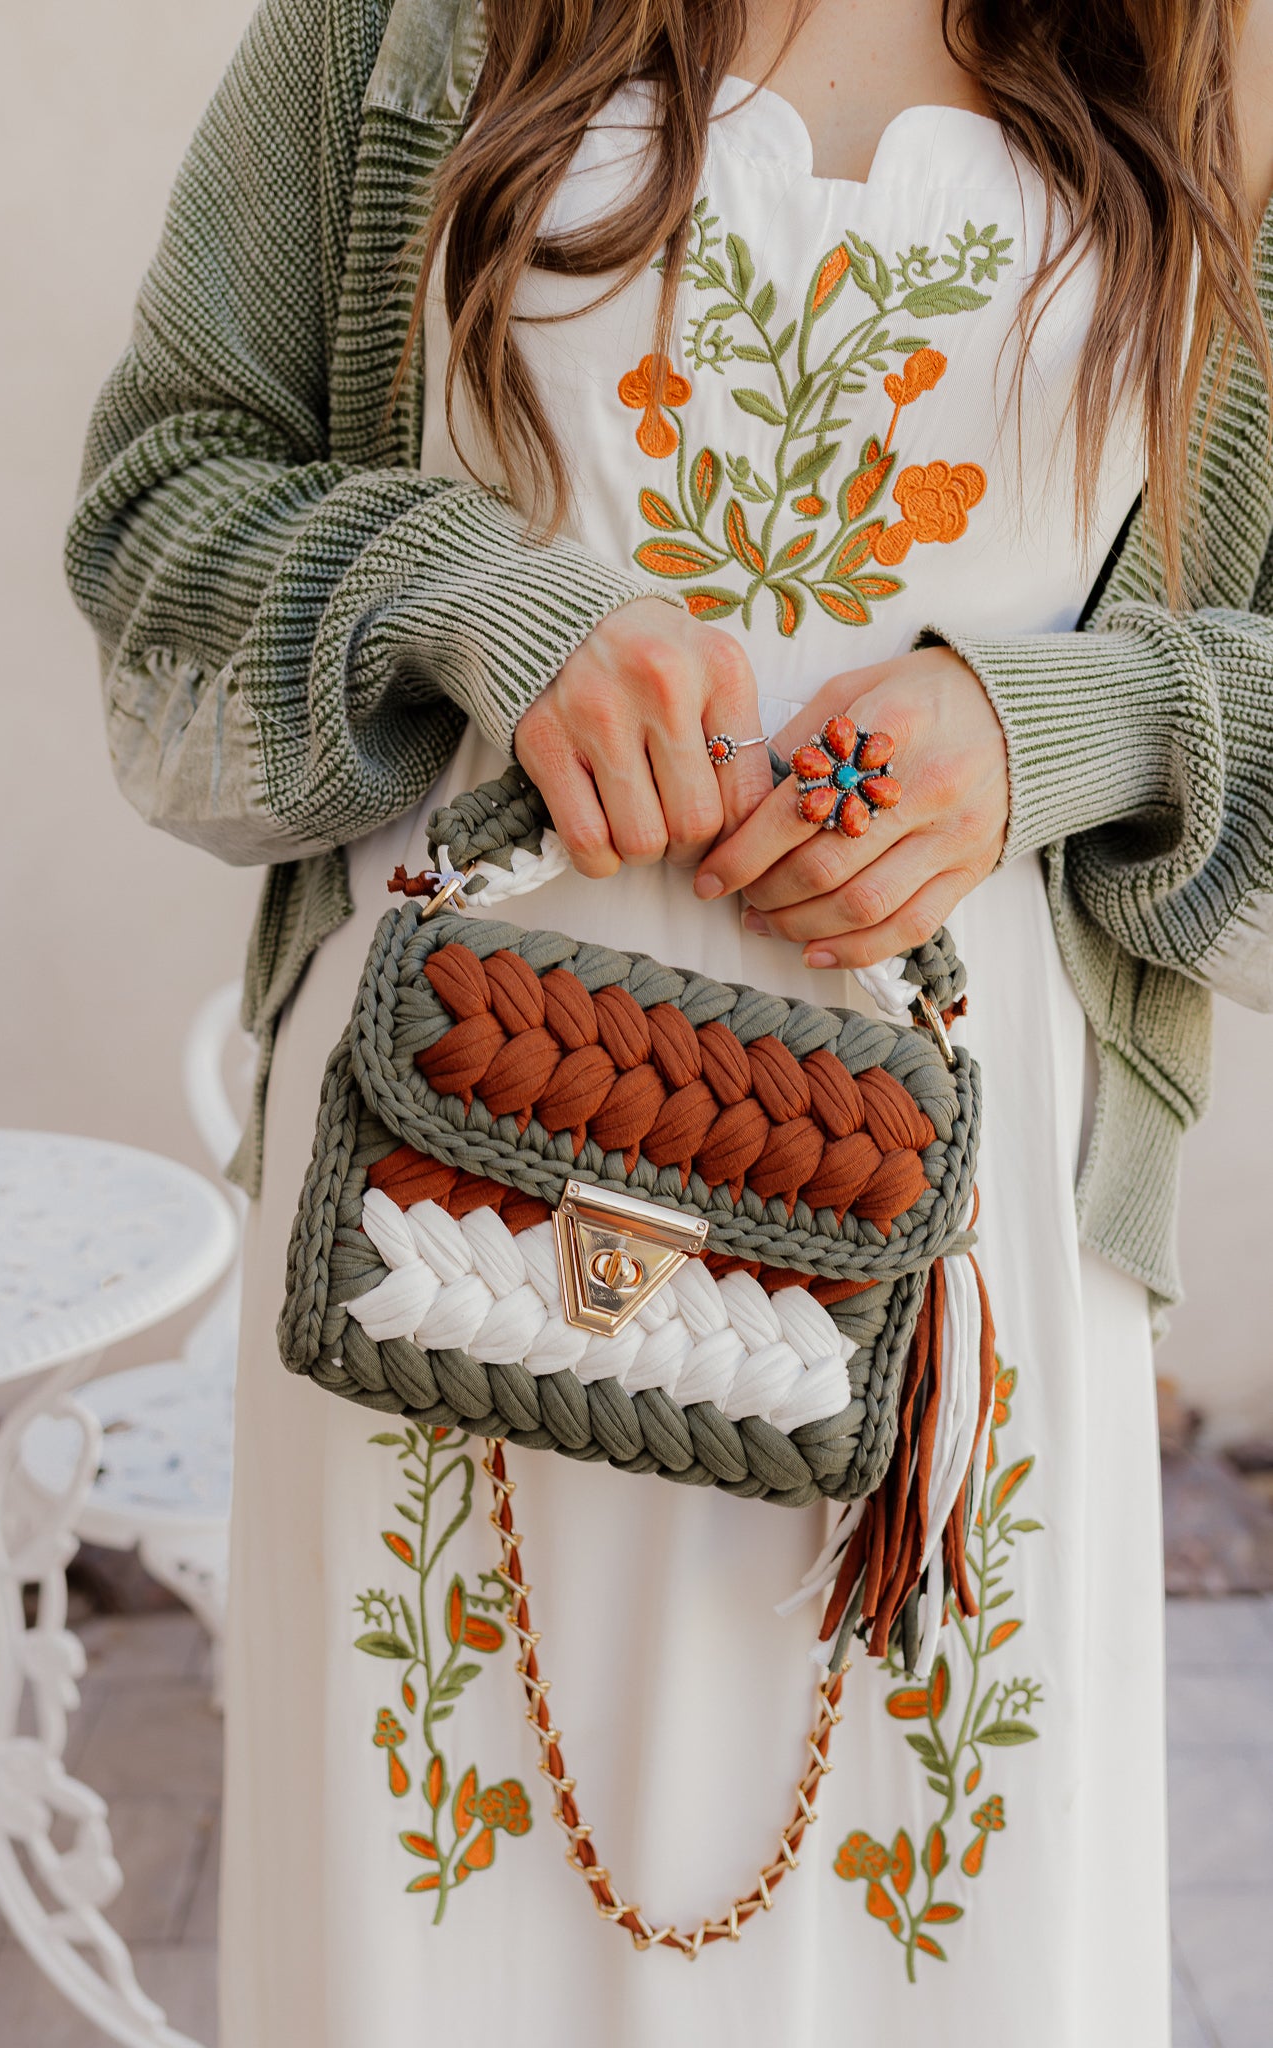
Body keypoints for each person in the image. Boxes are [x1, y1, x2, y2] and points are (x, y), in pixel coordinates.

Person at [66, 0, 1273, 2039]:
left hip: (942, 1270)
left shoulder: (1203, 48)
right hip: (443, 1210)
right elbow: (159, 521)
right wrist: (481, 603)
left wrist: (1068, 723)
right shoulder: (404, 30)